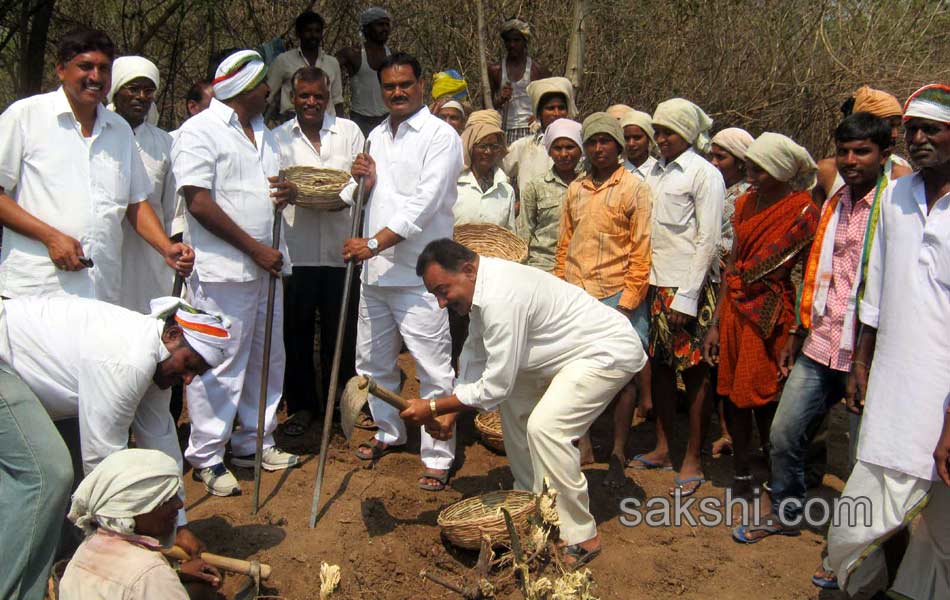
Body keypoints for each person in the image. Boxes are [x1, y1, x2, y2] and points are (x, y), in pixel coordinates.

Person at [725, 114, 894, 587]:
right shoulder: (834, 201)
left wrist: (866, 355)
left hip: (869, 353)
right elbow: (817, 273)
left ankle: (851, 550)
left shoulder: (895, 204)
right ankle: (786, 508)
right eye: (845, 152)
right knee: (784, 434)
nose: (851, 160)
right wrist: (799, 333)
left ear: (884, 155)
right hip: (821, 340)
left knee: (863, 460)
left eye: (862, 152)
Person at [402, 239, 646, 567]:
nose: (441, 302)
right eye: (435, 294)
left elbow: (495, 384)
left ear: (468, 269)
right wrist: (449, 414)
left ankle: (581, 535)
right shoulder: (482, 289)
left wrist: (435, 408)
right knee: (516, 403)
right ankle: (533, 504)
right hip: (567, 352)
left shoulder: (503, 294)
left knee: (547, 427)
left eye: (443, 290)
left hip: (606, 350)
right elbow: (475, 351)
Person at [0, 294, 229, 600]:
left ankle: (69, 571)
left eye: (195, 373)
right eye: (189, 365)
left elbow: (160, 441)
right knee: (48, 474)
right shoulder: (128, 361)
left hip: (36, 379)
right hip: (4, 359)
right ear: (172, 335)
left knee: (75, 486)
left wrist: (178, 525)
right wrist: (131, 548)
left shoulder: (157, 362)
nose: (187, 380)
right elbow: (105, 465)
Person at [825, 83, 950, 600]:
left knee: (942, 523)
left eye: (933, 130)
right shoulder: (896, 193)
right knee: (860, 516)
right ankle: (856, 580)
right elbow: (872, 282)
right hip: (894, 383)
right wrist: (860, 361)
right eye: (913, 129)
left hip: (942, 389)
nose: (919, 138)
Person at [172, 49, 300, 497]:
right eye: (264, 84)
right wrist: (254, 250)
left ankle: (254, 441)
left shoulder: (267, 134)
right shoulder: (199, 131)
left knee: (268, 358)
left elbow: (276, 188)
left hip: (269, 269)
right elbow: (199, 203)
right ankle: (207, 455)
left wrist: (287, 192)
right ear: (245, 88)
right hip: (225, 272)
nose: (270, 90)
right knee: (220, 363)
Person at [0, 28, 193, 305]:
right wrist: (50, 237)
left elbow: (135, 202)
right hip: (36, 287)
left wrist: (166, 248)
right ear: (61, 70)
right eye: (85, 66)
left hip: (100, 288)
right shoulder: (26, 116)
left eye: (103, 69)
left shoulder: (119, 131)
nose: (96, 77)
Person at [344, 53, 462, 492]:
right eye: (389, 86)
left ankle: (437, 454)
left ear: (421, 86)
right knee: (371, 363)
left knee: (432, 367)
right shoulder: (375, 135)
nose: (397, 92)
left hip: (421, 275)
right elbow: (350, 194)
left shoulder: (441, 136)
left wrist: (373, 242)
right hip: (375, 274)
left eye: (405, 85)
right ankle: (390, 431)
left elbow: (424, 205)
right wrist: (360, 181)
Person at [703, 133, 819, 497]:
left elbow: (805, 272)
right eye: (750, 167)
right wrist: (716, 323)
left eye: (761, 169)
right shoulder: (745, 204)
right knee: (735, 396)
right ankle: (740, 470)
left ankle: (775, 469)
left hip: (771, 313)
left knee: (767, 396)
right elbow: (734, 264)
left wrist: (800, 328)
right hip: (736, 310)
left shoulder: (803, 211)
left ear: (782, 171)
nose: (752, 174)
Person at [632, 99, 725, 499]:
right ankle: (665, 447)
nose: (661, 139)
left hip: (687, 287)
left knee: (696, 373)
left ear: (686, 133)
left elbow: (707, 239)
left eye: (668, 132)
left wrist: (687, 298)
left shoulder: (705, 175)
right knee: (663, 369)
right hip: (653, 283)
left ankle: (694, 457)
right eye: (658, 131)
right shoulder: (654, 172)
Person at [553, 113, 653, 487]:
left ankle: (617, 449)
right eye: (592, 142)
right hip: (577, 294)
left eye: (605, 142)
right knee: (576, 373)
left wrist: (629, 300)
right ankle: (583, 446)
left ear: (618, 146)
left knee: (622, 378)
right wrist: (560, 288)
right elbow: (565, 244)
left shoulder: (634, 189)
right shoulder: (576, 189)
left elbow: (642, 248)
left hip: (616, 293)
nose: (598, 149)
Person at [273, 67, 365, 436]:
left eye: (319, 96)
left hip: (341, 251)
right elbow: (275, 186)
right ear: (292, 98)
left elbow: (360, 181)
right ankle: (301, 407)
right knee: (294, 333)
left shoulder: (350, 132)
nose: (311, 103)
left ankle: (341, 405)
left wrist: (342, 195)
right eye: (304, 96)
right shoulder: (278, 138)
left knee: (340, 333)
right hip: (296, 252)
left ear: (329, 97)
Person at [59, 449, 222, 599]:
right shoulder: (151, 573)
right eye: (166, 500)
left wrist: (177, 572)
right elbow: (143, 580)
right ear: (132, 510)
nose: (179, 504)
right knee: (203, 589)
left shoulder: (86, 548)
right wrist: (167, 577)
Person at [106, 56, 179, 314]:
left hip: (152, 255)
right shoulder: (97, 135)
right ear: (116, 90)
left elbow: (172, 209)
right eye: (132, 88)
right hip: (106, 248)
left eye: (147, 91)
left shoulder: (164, 144)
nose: (140, 96)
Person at [706, 127, 754, 458]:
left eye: (720, 157)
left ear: (739, 162)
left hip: (736, 285)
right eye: (712, 155)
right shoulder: (715, 188)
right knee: (716, 363)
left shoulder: (746, 196)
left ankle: (742, 436)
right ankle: (726, 432)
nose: (713, 162)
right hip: (711, 281)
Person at [813, 85, 912, 206]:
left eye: (897, 126)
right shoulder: (826, 171)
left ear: (883, 157)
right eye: (889, 125)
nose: (895, 134)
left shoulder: (901, 175)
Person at [517, 118, 583, 272]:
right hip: (543, 266)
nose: (564, 154)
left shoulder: (591, 185)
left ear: (580, 149)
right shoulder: (535, 187)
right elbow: (525, 232)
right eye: (557, 148)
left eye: (570, 147)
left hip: (580, 268)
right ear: (549, 151)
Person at [503, 77, 577, 198]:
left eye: (561, 108)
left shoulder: (578, 146)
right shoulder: (523, 146)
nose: (557, 113)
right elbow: (500, 170)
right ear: (539, 113)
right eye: (550, 108)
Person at [267, 10, 344, 122]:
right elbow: (268, 95)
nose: (313, 35)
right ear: (299, 33)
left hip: (327, 123)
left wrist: (341, 128)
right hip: (291, 123)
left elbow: (337, 101)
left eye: (317, 31)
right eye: (308, 30)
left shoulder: (332, 63)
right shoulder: (283, 60)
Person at [488, 18, 550, 144]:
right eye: (508, 41)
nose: (512, 45)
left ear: (525, 41)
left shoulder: (538, 70)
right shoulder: (496, 70)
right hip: (503, 129)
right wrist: (500, 99)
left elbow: (549, 103)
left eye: (516, 40)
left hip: (532, 129)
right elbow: (486, 105)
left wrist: (539, 116)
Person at [454, 110, 515, 229]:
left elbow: (509, 235)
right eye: (482, 146)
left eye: (494, 147)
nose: (488, 152)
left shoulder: (506, 190)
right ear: (471, 147)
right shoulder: (453, 184)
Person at [337, 6, 392, 136]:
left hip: (388, 118)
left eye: (387, 24)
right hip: (361, 120)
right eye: (379, 24)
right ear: (366, 28)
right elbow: (327, 70)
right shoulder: (353, 54)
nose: (384, 28)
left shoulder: (391, 55)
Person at [619, 109, 657, 180]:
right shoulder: (613, 171)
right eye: (626, 138)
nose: (631, 143)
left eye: (637, 138)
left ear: (649, 138)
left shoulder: (659, 171)